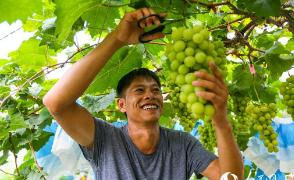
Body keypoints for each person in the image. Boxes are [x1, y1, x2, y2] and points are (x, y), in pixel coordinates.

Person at [43, 8, 244, 180]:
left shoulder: (183, 144)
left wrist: (221, 121)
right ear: (121, 105)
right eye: (139, 90)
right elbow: (55, 103)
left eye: (155, 90)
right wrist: (118, 39)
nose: (150, 95)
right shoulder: (103, 138)